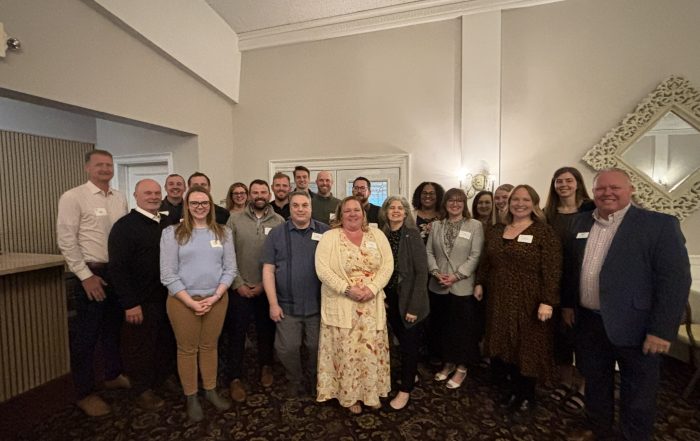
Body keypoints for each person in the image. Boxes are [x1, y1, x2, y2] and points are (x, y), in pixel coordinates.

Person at [562, 168, 690, 441]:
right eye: (601, 188)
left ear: (630, 189)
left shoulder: (658, 225)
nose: (607, 193)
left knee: (638, 392)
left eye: (615, 187)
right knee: (596, 382)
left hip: (636, 325)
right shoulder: (580, 223)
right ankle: (598, 429)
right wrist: (569, 305)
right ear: (593, 192)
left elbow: (674, 281)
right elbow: (573, 269)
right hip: (590, 322)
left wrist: (661, 330)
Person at [56, 149, 130, 417]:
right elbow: (66, 239)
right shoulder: (73, 197)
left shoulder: (119, 197)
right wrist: (85, 276)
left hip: (115, 273)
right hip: (91, 273)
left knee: (112, 328)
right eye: (99, 165)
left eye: (109, 165)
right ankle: (84, 393)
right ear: (87, 167)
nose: (105, 169)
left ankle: (112, 374)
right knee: (86, 335)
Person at [475, 184, 561, 412]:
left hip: (529, 299)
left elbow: (552, 270)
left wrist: (548, 301)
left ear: (534, 203)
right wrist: (479, 282)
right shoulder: (497, 229)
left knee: (527, 346)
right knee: (505, 343)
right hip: (499, 297)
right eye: (515, 199)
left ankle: (526, 394)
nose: (519, 204)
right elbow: (486, 260)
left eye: (525, 200)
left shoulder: (543, 232)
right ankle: (511, 389)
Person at [160, 186, 236, 422]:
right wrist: (191, 303)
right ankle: (191, 396)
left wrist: (215, 296)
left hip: (216, 299)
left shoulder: (223, 232)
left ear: (211, 205)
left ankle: (210, 390)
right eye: (194, 203)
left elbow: (230, 269)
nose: (200, 207)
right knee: (187, 350)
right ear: (187, 206)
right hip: (182, 301)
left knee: (209, 346)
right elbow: (168, 274)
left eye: (204, 202)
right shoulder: (172, 233)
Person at [315, 196, 394, 415]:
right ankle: (349, 396)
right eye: (347, 210)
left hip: (370, 305)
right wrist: (347, 289)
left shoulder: (376, 235)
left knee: (369, 351)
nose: (352, 214)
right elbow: (322, 270)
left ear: (363, 213)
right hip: (342, 303)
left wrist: (372, 288)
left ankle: (370, 393)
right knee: (346, 352)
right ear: (340, 215)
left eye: (356, 210)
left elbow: (388, 266)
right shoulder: (329, 237)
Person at [108, 179, 175, 410]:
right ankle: (142, 389)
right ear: (136, 196)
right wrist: (130, 303)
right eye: (148, 193)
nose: (153, 197)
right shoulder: (124, 227)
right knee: (140, 347)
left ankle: (161, 379)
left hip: (167, 296)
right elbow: (117, 268)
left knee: (164, 341)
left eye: (157, 193)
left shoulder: (167, 223)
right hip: (140, 300)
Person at [262, 191, 330, 397]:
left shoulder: (326, 233)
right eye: (295, 205)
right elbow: (268, 270)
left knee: (316, 347)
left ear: (311, 207)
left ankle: (316, 378)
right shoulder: (276, 234)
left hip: (319, 305)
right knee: (287, 348)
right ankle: (295, 378)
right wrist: (273, 304)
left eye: (304, 205)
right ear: (290, 208)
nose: (300, 209)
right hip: (286, 305)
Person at [226, 179, 285, 402]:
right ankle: (234, 377)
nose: (259, 195)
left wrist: (264, 285)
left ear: (269, 194)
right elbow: (227, 254)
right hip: (239, 288)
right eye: (255, 192)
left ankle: (266, 367)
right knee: (236, 334)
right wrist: (238, 283)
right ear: (250, 195)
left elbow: (281, 257)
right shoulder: (235, 219)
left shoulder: (279, 221)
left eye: (263, 192)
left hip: (266, 289)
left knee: (266, 331)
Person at [543, 166, 594, 411]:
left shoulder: (591, 210)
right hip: (556, 282)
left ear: (577, 183)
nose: (563, 185)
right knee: (560, 339)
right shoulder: (549, 213)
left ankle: (583, 387)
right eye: (558, 181)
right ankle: (564, 381)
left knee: (584, 341)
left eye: (568, 180)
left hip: (583, 283)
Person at [426, 188, 484, 390]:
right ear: (445, 203)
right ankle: (448, 362)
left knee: (462, 331)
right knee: (443, 329)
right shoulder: (437, 225)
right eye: (451, 200)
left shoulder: (474, 225)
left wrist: (456, 276)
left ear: (464, 204)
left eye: (459, 200)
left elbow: (476, 255)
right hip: (438, 285)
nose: (455, 204)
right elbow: (429, 252)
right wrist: (435, 272)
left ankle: (461, 367)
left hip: (462, 286)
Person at [379, 196, 429, 410]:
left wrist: (414, 307)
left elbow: (421, 273)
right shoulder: (382, 234)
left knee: (409, 345)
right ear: (385, 211)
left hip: (409, 299)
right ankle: (412, 373)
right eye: (392, 207)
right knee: (401, 340)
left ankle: (406, 390)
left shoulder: (412, 234)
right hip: (390, 297)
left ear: (406, 212)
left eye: (401, 208)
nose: (396, 211)